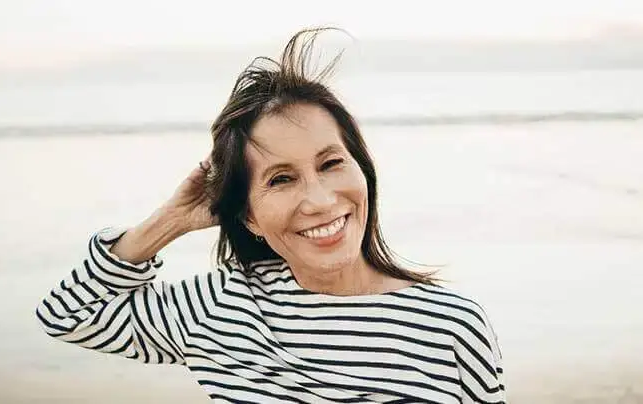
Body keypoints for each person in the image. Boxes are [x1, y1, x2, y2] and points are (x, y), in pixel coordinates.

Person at [36, 28, 506, 403]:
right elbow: (67, 316)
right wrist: (170, 222)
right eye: (280, 179)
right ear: (249, 217)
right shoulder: (222, 305)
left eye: (330, 163)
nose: (320, 201)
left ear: (363, 170)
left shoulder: (451, 325)